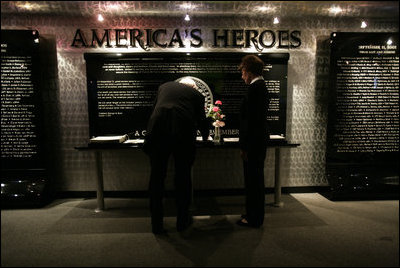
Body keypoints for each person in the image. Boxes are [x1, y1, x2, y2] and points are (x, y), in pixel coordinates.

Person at [143, 78, 209, 235]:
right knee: (183, 176)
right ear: (193, 87)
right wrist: (206, 137)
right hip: (183, 131)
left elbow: (154, 110)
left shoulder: (163, 86)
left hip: (158, 130)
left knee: (157, 177)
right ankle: (182, 221)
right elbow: (201, 119)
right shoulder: (196, 94)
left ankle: (156, 224)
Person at [237, 55, 269, 228]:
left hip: (253, 143)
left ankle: (254, 218)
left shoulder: (255, 88)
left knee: (254, 181)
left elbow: (249, 122)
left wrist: (244, 146)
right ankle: (252, 213)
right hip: (258, 141)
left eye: (243, 71)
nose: (242, 76)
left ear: (248, 71)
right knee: (254, 179)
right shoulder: (260, 87)